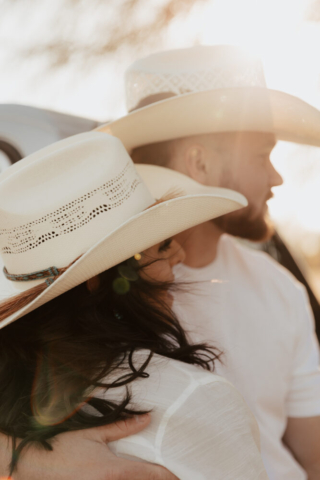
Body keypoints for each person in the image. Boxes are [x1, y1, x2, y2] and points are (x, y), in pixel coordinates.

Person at [97, 45, 320, 480]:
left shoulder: (281, 290)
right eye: (261, 155)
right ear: (199, 162)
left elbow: (314, 457)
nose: (276, 177)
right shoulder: (92, 297)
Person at [0, 131, 268, 479]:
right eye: (163, 245)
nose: (180, 256)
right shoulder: (191, 401)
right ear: (101, 280)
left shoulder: (11, 399)